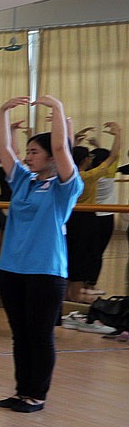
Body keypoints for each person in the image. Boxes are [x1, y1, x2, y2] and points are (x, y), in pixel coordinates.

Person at [0, 95, 82, 413]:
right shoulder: (23, 182)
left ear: (50, 157)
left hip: (46, 271)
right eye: (27, 151)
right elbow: (4, 151)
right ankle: (21, 391)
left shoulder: (65, 187)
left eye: (33, 151)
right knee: (20, 335)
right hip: (12, 269)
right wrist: (2, 112)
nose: (28, 157)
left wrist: (58, 109)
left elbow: (61, 149)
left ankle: (37, 394)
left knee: (40, 335)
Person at [65, 123, 120, 301]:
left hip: (68, 218)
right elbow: (113, 157)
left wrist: (73, 141)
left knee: (69, 255)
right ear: (85, 161)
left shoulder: (66, 175)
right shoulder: (90, 176)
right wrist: (118, 133)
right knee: (83, 257)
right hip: (86, 219)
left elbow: (65, 156)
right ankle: (76, 297)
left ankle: (63, 296)